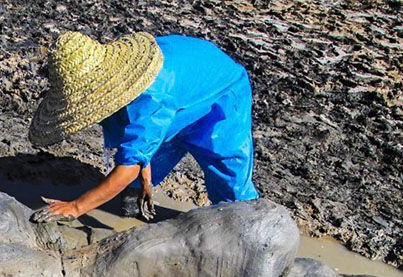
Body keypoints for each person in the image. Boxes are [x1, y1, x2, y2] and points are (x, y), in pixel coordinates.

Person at [29, 31, 258, 224]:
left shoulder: (150, 97)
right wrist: (146, 177)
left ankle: (250, 223)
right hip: (178, 92)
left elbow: (131, 162)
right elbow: (138, 144)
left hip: (222, 94)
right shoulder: (121, 82)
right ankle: (138, 191)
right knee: (138, 177)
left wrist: (76, 207)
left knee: (230, 183)